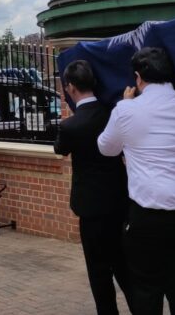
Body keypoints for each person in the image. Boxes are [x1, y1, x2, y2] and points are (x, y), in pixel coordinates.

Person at [97, 47, 175, 315]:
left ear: (138, 78)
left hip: (148, 217)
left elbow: (106, 147)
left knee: (146, 288)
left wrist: (125, 104)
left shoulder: (126, 111)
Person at [54, 60, 131, 315]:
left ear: (71, 88)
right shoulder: (113, 112)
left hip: (90, 206)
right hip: (119, 199)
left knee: (98, 269)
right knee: (123, 264)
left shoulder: (70, 126)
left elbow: (60, 149)